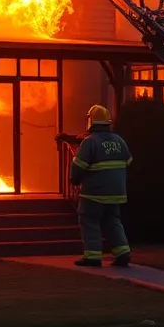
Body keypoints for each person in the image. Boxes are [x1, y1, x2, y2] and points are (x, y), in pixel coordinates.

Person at [68, 104, 132, 268]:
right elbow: (128, 162)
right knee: (113, 221)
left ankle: (92, 256)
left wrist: (74, 180)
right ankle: (123, 253)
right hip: (116, 192)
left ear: (91, 122)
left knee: (89, 220)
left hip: (94, 193)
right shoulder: (119, 141)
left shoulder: (90, 142)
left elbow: (78, 167)